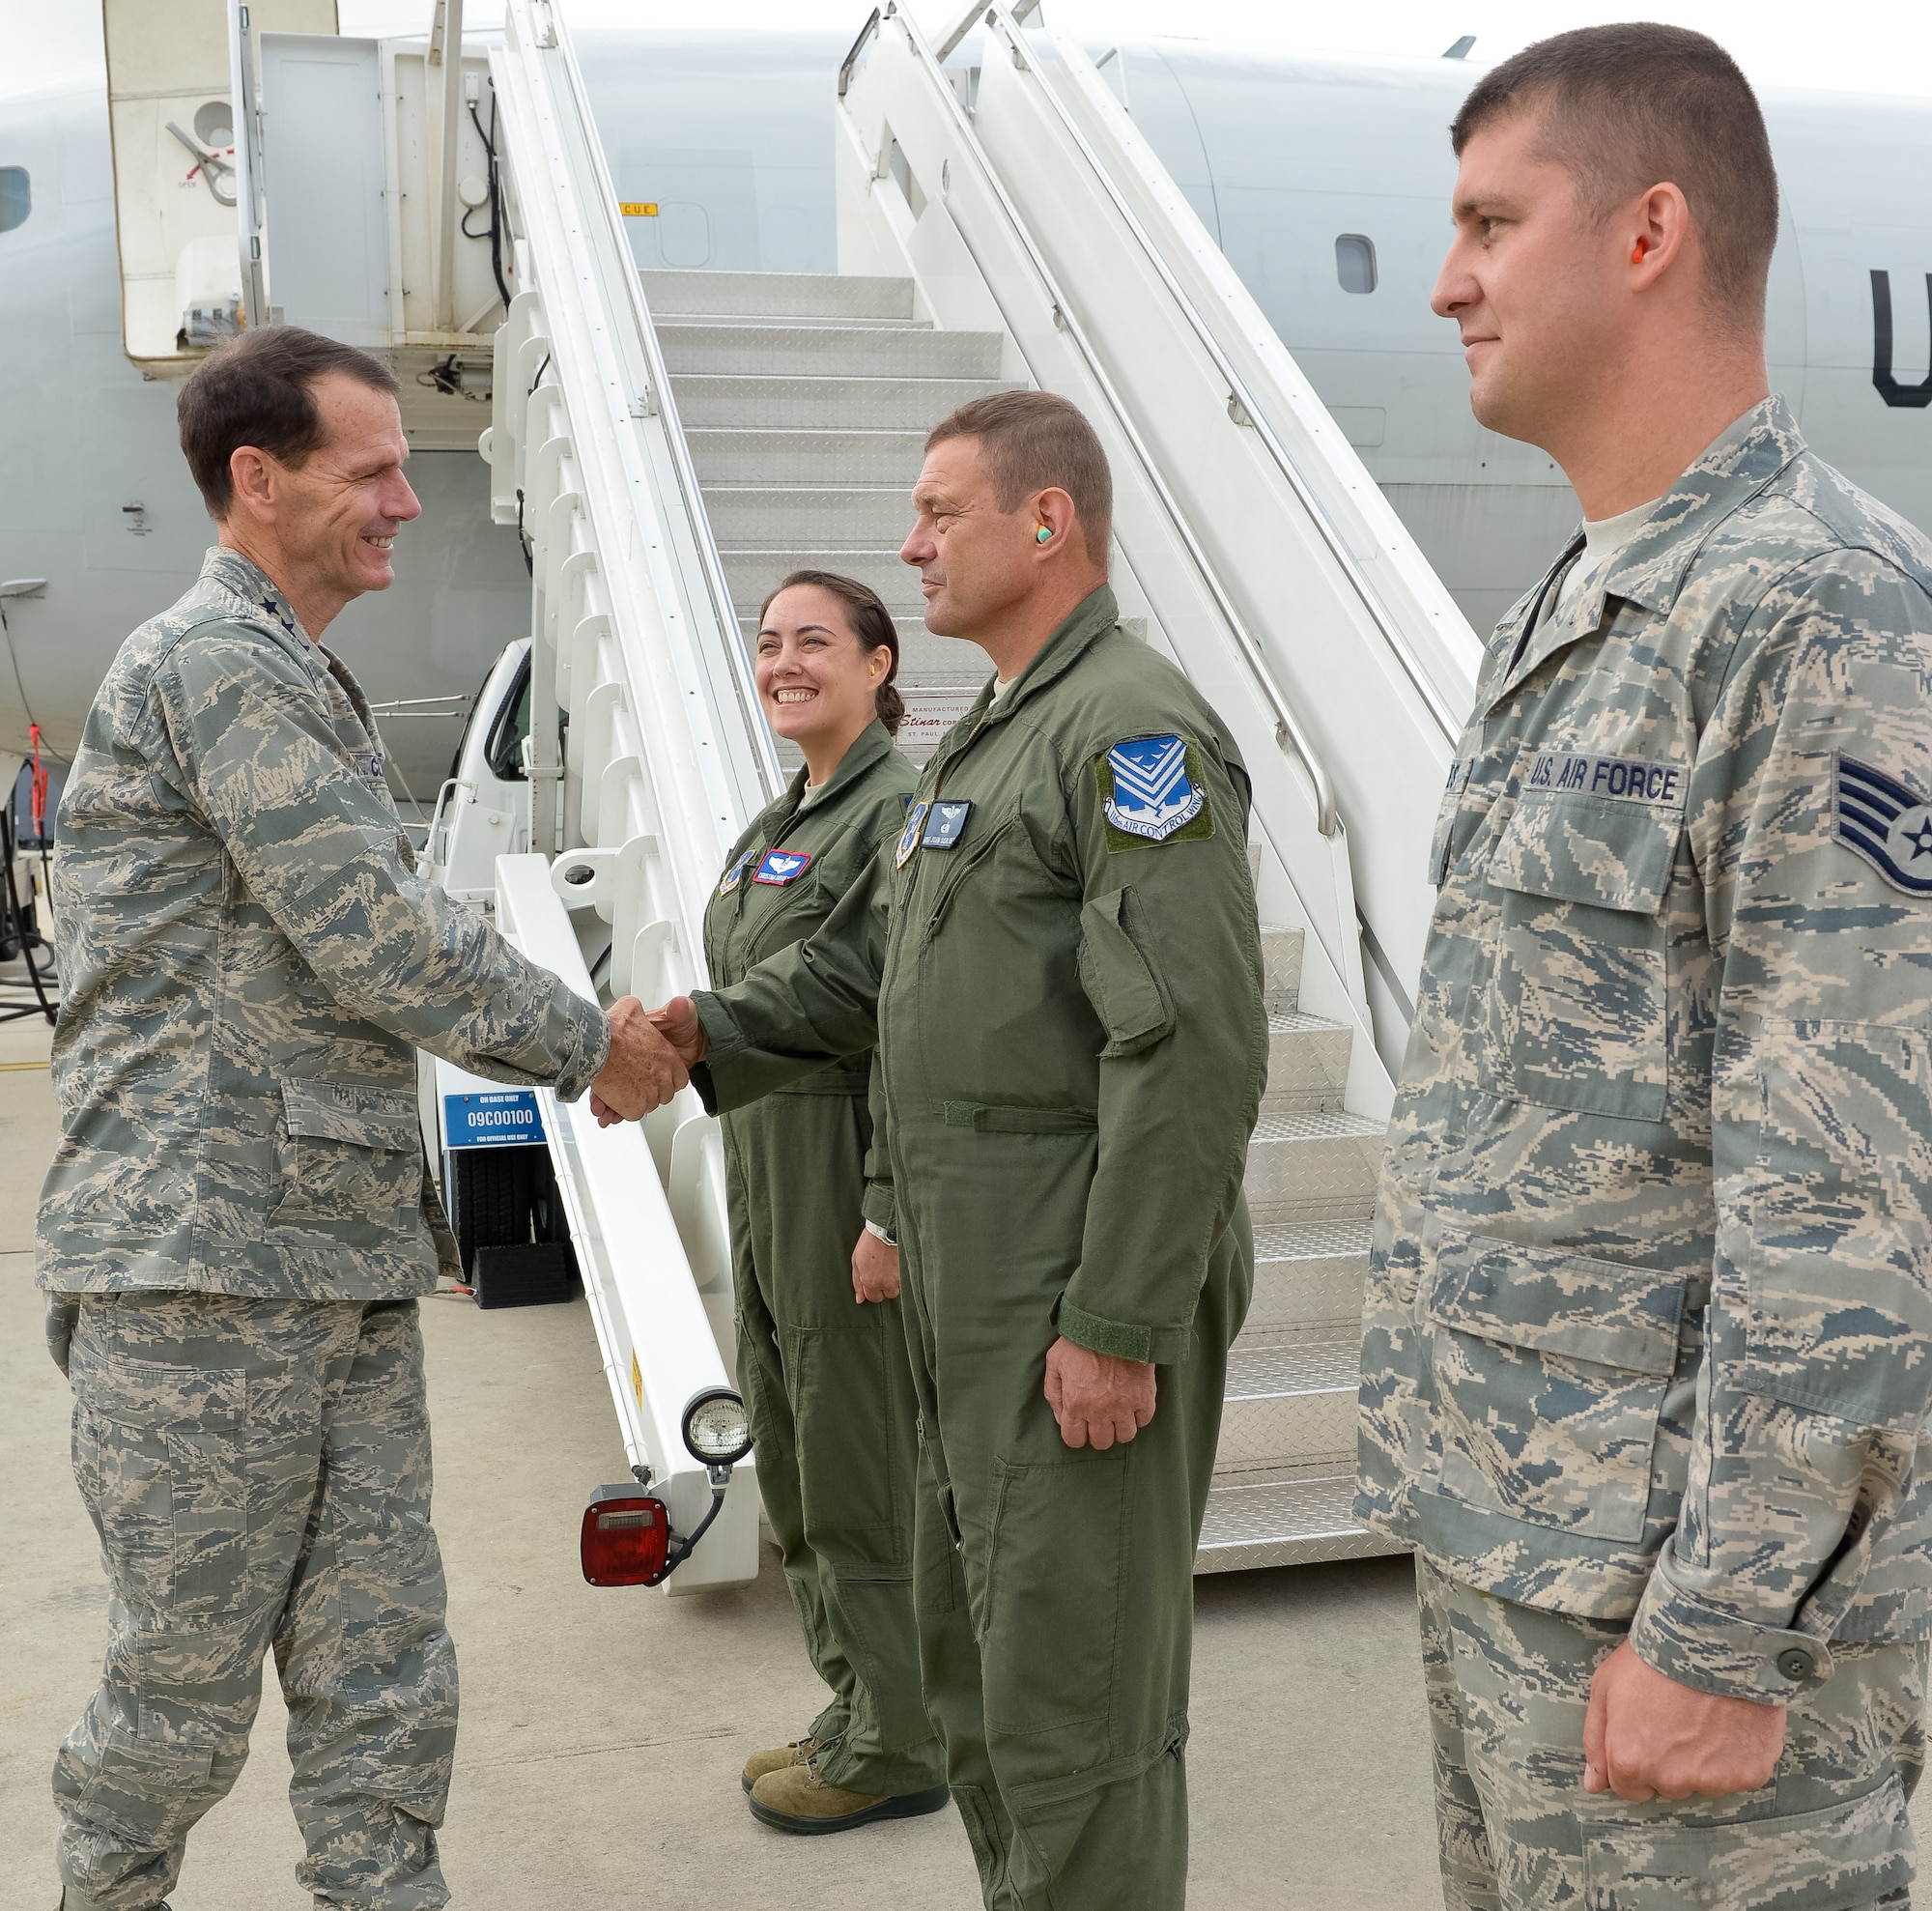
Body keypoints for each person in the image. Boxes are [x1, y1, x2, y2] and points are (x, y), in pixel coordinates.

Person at [1353, 24, 1932, 1908]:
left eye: (1487, 222)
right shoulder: (1584, 602)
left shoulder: (1813, 609)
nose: (1446, 278)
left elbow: (1851, 1182)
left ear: (1647, 232)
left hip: (1678, 1611)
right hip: (1520, 1557)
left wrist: (1720, 1623)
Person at [38, 325, 682, 1911]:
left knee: (386, 1672)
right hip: (196, 1274)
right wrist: (585, 1041)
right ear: (258, 481)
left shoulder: (288, 666)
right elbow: (378, 933)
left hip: (333, 1261)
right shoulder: (215, 663)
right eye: (376, 469)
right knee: (179, 1705)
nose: (409, 497)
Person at [635, 390, 1266, 1909]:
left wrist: (1117, 1320)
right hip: (969, 1286)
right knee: (975, 1662)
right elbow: (881, 987)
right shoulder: (1001, 730)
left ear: (1044, 523)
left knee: (1074, 1697)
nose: (909, 545)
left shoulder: (1128, 729)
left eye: (939, 513)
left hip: (1065, 1282)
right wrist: (702, 1032)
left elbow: (1189, 1047)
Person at [712, 568, 949, 1833]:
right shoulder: (789, 814)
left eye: (814, 640)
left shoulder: (896, 813)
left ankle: (898, 1740)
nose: (785, 661)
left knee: (855, 1467)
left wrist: (886, 1206)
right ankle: (859, 1698)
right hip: (767, 1167)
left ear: (877, 660)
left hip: (841, 1169)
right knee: (796, 1459)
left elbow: (895, 1015)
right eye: (768, 643)